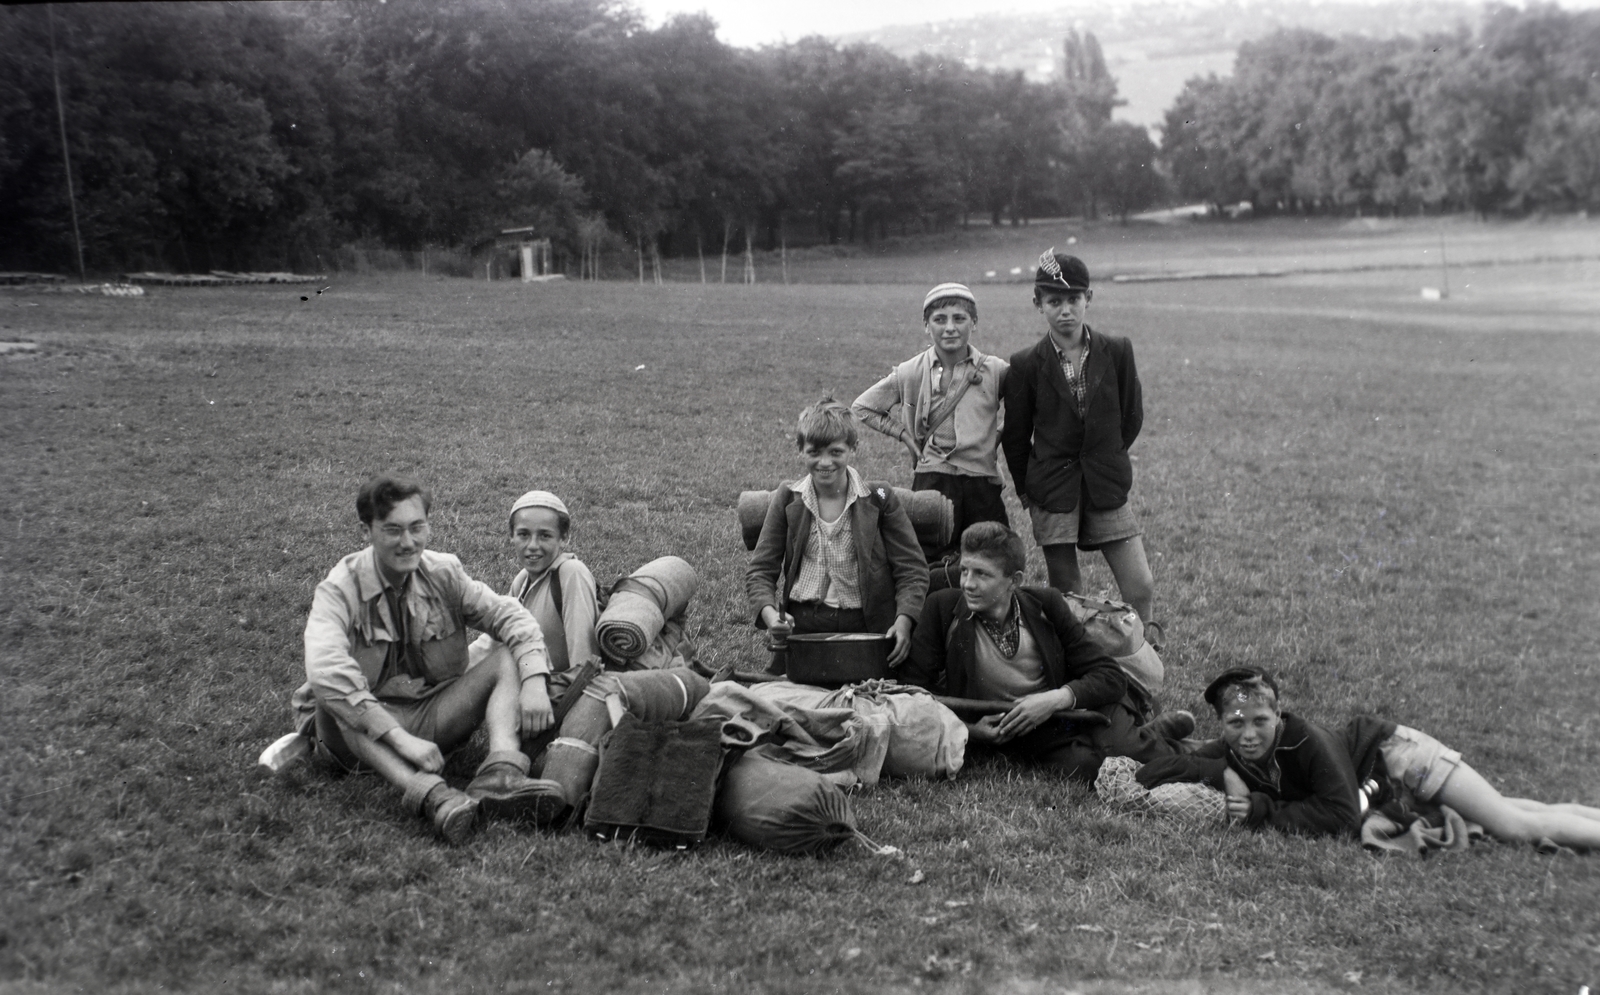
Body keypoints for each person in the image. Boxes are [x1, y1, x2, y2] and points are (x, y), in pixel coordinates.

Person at [292, 475, 564, 843]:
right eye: (393, 530)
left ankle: (501, 776)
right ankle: (433, 796)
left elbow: (509, 616)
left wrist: (533, 680)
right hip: (358, 738)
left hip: (429, 715)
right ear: (366, 531)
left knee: (506, 654)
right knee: (335, 690)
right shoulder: (340, 589)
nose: (408, 542)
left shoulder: (443, 572)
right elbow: (324, 669)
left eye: (416, 527)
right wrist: (401, 741)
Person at [1139, 667, 1600, 849]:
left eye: (1260, 720)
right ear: (1220, 724)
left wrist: (1260, 809)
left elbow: (1340, 816)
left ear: (1279, 714)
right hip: (1389, 778)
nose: (1249, 734)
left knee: (1515, 828)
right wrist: (1221, 768)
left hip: (1405, 761)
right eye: (1235, 724)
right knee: (1511, 811)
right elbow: (1156, 770)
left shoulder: (1307, 741)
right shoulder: (1234, 750)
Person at [901, 522, 1192, 782]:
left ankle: (1199, 757)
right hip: (1034, 732)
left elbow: (1110, 676)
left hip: (1082, 705)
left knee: (1125, 750)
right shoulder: (942, 609)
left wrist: (1054, 699)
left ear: (1013, 581)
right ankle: (1154, 738)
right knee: (1091, 769)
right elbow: (914, 692)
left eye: (981, 574)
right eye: (964, 571)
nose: (968, 583)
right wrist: (971, 730)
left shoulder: (1046, 605)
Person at [1000, 249, 1160, 645]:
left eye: (1074, 299)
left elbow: (1132, 415)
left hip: (1105, 483)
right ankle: (1078, 658)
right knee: (1068, 591)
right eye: (1054, 301)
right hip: (1052, 489)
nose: (1065, 310)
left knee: (1140, 584)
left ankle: (1144, 656)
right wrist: (1027, 492)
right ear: (1038, 304)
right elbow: (1016, 438)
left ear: (1089, 298)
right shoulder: (1025, 364)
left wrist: (1104, 457)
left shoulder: (1117, 350)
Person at [746, 397, 929, 669]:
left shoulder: (879, 496)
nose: (825, 462)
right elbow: (761, 570)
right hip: (804, 628)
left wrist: (903, 622)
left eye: (835, 452)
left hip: (866, 629)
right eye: (814, 452)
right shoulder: (788, 497)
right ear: (800, 450)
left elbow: (912, 569)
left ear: (852, 448)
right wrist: (773, 617)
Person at [852, 282, 1009, 566]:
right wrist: (905, 436)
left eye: (959, 319)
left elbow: (1027, 406)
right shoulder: (911, 371)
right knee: (929, 558)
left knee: (993, 556)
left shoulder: (995, 369)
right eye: (939, 319)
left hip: (981, 481)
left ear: (974, 323)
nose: (950, 327)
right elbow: (863, 406)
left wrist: (998, 435)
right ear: (927, 325)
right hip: (932, 477)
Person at [470, 489, 602, 707]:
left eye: (545, 535)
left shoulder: (571, 573)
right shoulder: (521, 581)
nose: (532, 546)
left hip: (559, 696)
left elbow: (584, 663)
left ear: (564, 538)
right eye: (523, 534)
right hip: (531, 686)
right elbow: (492, 642)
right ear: (511, 536)